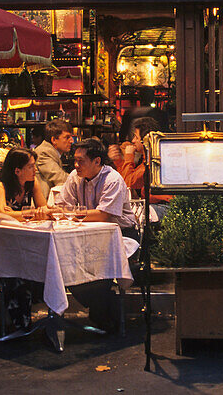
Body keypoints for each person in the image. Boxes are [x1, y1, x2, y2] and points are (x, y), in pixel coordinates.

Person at [58, 138, 137, 331]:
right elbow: (62, 205)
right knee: (64, 264)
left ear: (97, 162)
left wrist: (70, 214)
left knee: (91, 264)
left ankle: (104, 312)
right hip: (86, 235)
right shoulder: (74, 177)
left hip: (119, 235)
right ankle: (104, 307)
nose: (76, 165)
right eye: (74, 160)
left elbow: (103, 215)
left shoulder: (112, 179)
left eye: (81, 161)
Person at [0, 148, 50, 335]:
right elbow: (0, 213)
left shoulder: (32, 184)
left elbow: (44, 209)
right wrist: (30, 214)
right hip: (2, 244)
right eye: (31, 166)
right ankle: (20, 322)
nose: (35, 170)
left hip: (23, 241)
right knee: (17, 273)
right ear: (17, 170)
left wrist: (23, 214)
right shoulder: (1, 186)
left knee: (45, 263)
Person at [35, 119, 74, 191]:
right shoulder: (43, 153)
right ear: (54, 140)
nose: (72, 141)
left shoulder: (51, 152)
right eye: (67, 137)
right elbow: (60, 179)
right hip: (45, 201)